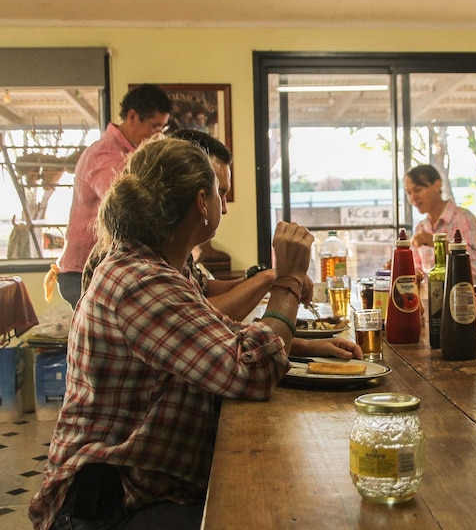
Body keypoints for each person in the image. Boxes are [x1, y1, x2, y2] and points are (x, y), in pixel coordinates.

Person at [30, 138, 361, 530]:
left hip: (146, 487)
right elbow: (252, 372)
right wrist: (286, 279)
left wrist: (303, 344)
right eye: (220, 194)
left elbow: (214, 333)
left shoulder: (162, 266)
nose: (224, 202)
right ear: (202, 202)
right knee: (277, 511)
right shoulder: (140, 280)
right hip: (107, 508)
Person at [55, 84, 173, 309]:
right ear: (132, 116)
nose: (157, 134)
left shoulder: (130, 154)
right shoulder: (105, 152)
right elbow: (126, 204)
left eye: (162, 128)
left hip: (102, 267)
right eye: (154, 126)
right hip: (82, 271)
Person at [168, 129, 275, 321]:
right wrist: (271, 280)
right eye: (220, 193)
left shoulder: (175, 242)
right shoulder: (150, 265)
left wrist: (266, 278)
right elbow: (201, 318)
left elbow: (204, 290)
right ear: (199, 196)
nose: (224, 208)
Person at [405, 164, 476, 295]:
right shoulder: (421, 227)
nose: (413, 197)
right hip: (439, 302)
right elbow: (419, 272)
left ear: (437, 185)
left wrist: (435, 243)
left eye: (418, 190)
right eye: (409, 193)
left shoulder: (463, 218)